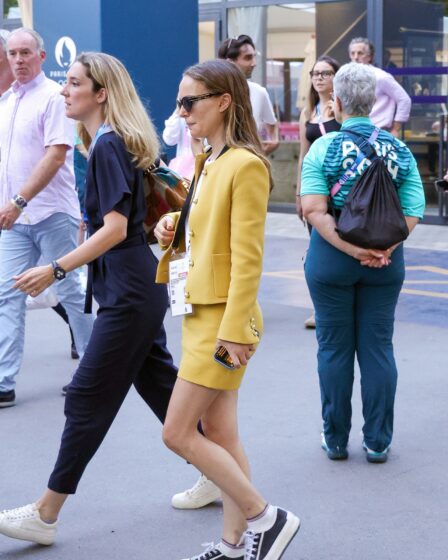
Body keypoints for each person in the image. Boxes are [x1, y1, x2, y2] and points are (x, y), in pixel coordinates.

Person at [0, 51, 178, 546]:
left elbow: (117, 228)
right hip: (133, 284)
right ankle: (217, 469)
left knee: (85, 396)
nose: (64, 91)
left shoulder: (107, 146)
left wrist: (54, 268)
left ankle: (45, 513)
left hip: (129, 287)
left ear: (101, 93)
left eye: (74, 84)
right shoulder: (105, 142)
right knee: (162, 386)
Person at [155, 59, 300, 560]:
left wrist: (237, 330)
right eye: (179, 102)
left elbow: (248, 258)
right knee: (219, 433)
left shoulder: (245, 164)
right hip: (201, 312)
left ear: (223, 101)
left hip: (222, 320)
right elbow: (208, 219)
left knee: (177, 433)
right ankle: (234, 544)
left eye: (189, 101)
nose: (182, 112)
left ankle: (266, 517)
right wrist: (175, 221)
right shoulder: (210, 160)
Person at [300, 62, 425, 463]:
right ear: (373, 103)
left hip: (331, 262)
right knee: (378, 349)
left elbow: (314, 211)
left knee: (333, 350)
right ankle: (378, 441)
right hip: (386, 264)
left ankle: (335, 439)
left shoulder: (324, 147)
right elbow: (414, 210)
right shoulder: (400, 150)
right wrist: (383, 248)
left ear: (335, 102)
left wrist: (353, 251)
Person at [0, 28, 94, 408]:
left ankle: (92, 370)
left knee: (71, 291)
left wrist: (19, 200)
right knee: (6, 294)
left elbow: (57, 154)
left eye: (25, 53)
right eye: (12, 54)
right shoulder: (7, 102)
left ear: (40, 57)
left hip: (51, 212)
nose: (19, 60)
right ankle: (3, 382)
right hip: (14, 219)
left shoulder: (54, 99)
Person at [295, 55, 340, 329]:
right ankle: (320, 308)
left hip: (340, 187)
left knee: (341, 242)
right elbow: (303, 154)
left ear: (336, 77)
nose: (319, 77)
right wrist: (299, 193)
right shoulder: (307, 113)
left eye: (325, 72)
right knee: (316, 249)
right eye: (315, 73)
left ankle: (339, 306)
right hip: (315, 188)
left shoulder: (342, 110)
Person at [218, 34, 279, 156]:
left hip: (249, 164)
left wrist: (265, 150)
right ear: (230, 62)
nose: (254, 63)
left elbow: (272, 125)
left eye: (254, 57)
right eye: (248, 58)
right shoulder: (212, 92)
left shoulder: (259, 92)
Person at [349, 37, 411, 137]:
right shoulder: (347, 78)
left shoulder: (381, 77)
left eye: (360, 53)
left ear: (370, 57)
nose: (356, 57)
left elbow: (404, 99)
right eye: (352, 53)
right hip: (354, 133)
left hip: (378, 133)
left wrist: (396, 129)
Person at [163, 108, 204, 179]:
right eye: (180, 102)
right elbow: (169, 139)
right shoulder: (181, 115)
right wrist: (177, 113)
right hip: (181, 168)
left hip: (202, 164)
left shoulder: (206, 116)